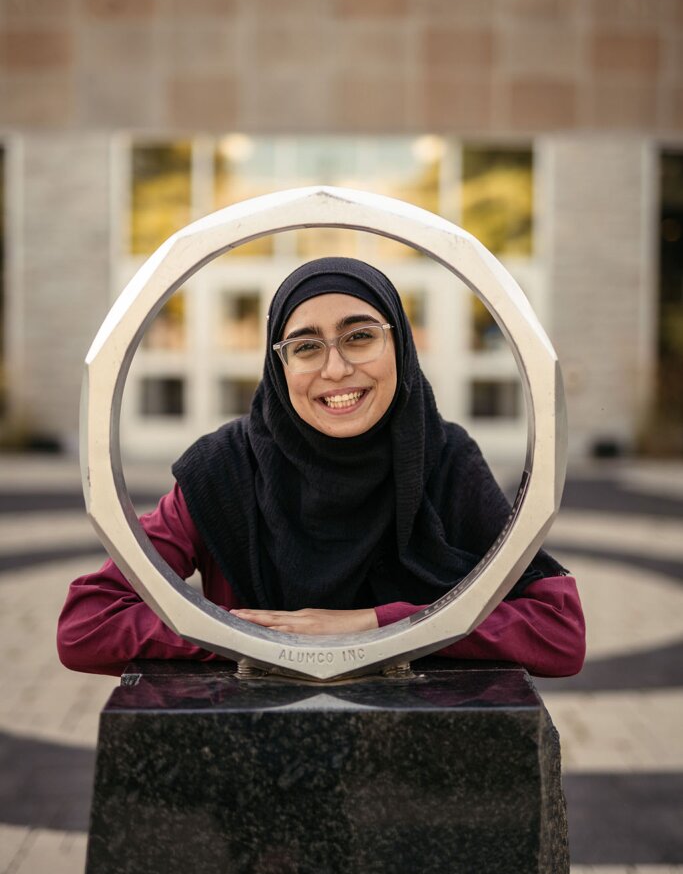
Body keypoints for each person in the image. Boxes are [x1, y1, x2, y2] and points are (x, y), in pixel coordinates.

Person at [57, 257, 585, 678]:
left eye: (359, 336)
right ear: (279, 365)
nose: (336, 369)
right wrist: (254, 639)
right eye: (306, 346)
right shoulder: (226, 468)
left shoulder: (443, 458)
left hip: (412, 771)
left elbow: (560, 631)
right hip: (252, 760)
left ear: (398, 343)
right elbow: (87, 624)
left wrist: (375, 628)